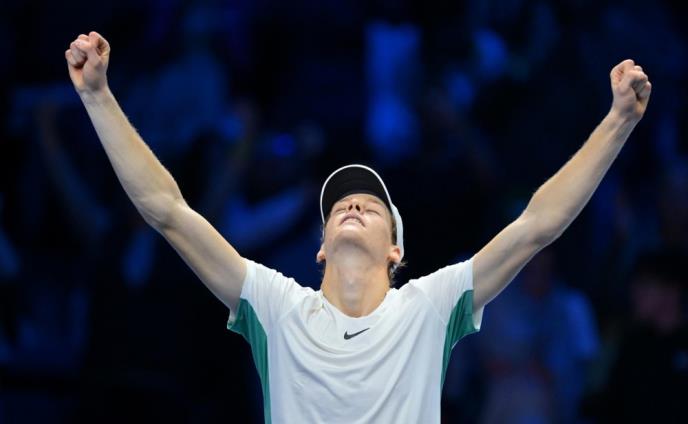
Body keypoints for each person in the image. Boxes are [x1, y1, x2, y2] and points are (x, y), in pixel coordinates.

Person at [65, 31, 651, 423]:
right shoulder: (275, 305)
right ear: (320, 249)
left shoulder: (430, 305)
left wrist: (619, 122)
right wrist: (97, 97)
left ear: (396, 251)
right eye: (340, 206)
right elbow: (167, 210)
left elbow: (537, 225)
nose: (351, 207)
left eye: (370, 206)